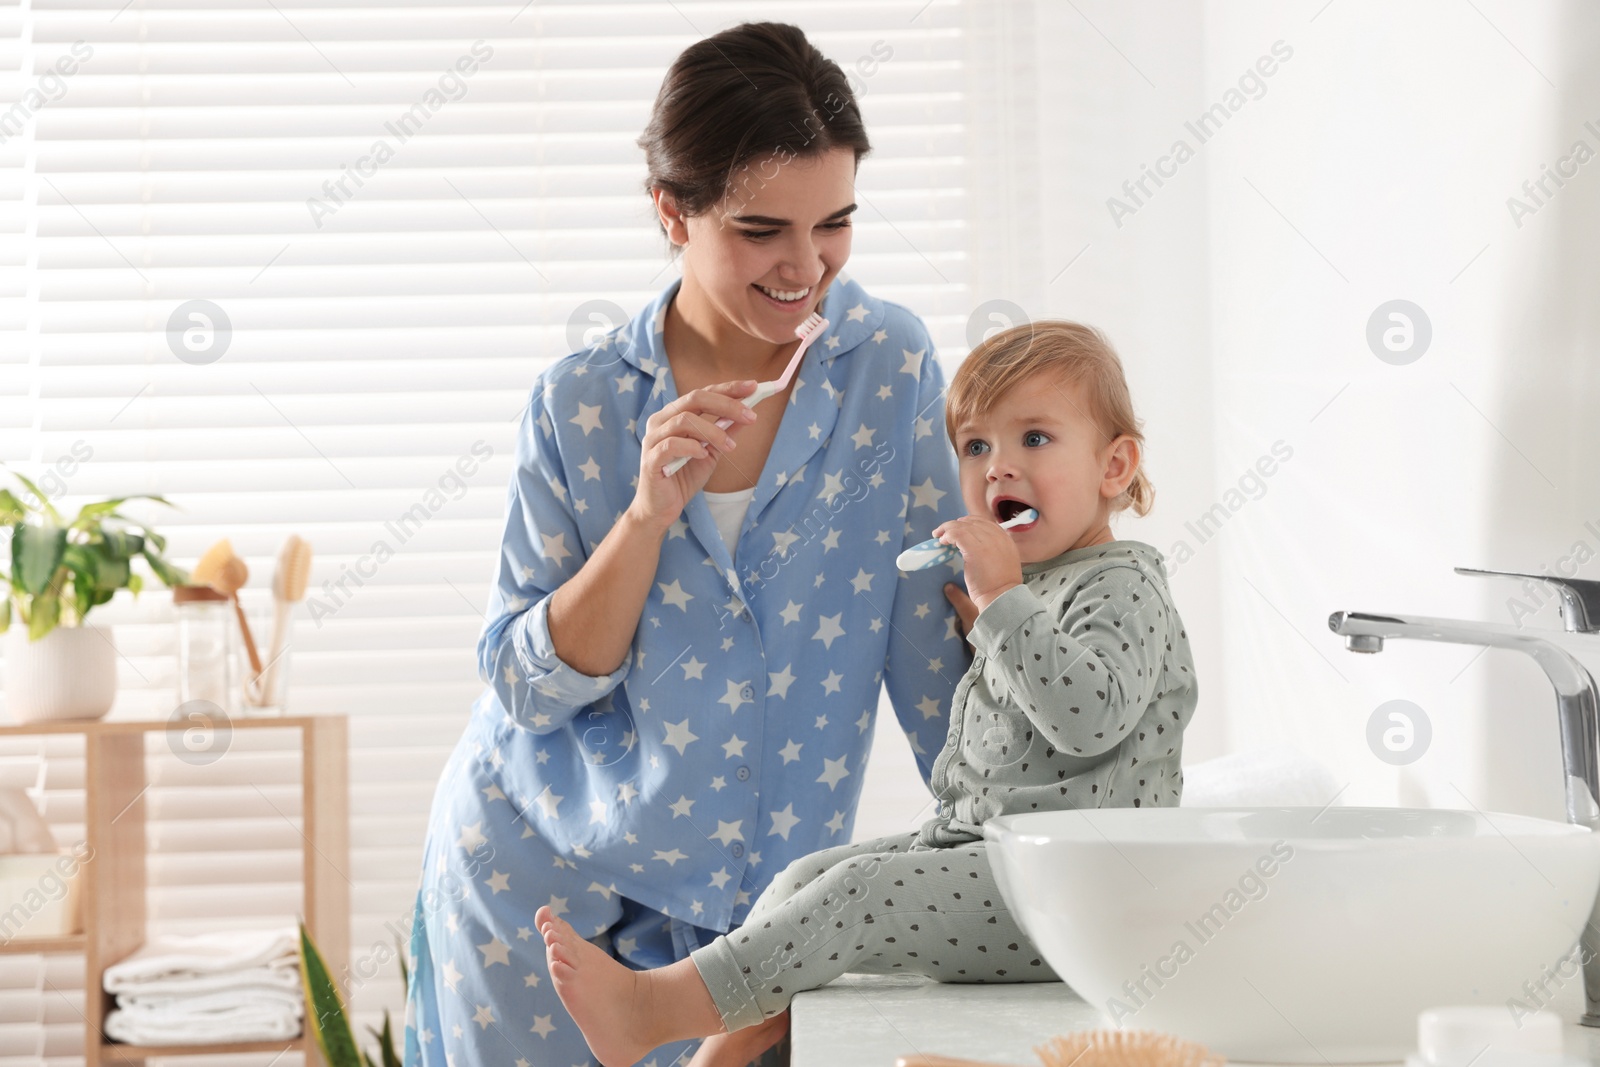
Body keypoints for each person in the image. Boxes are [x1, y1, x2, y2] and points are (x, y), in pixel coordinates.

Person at [403, 22, 970, 1067]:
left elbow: (930, 638)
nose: (807, 266)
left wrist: (1023, 845)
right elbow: (527, 691)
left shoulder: (886, 362)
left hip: (743, 930)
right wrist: (643, 518)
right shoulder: (580, 404)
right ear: (672, 211)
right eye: (762, 230)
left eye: (835, 222)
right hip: (537, 893)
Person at [534, 320, 1201, 1067]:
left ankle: (651, 1008)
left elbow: (1090, 720)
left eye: (1035, 439)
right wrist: (1002, 604)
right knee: (806, 878)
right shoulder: (1033, 584)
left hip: (1076, 896)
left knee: (857, 898)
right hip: (999, 857)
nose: (998, 469)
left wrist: (1004, 601)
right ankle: (717, 1053)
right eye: (977, 446)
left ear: (1116, 466)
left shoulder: (1123, 583)